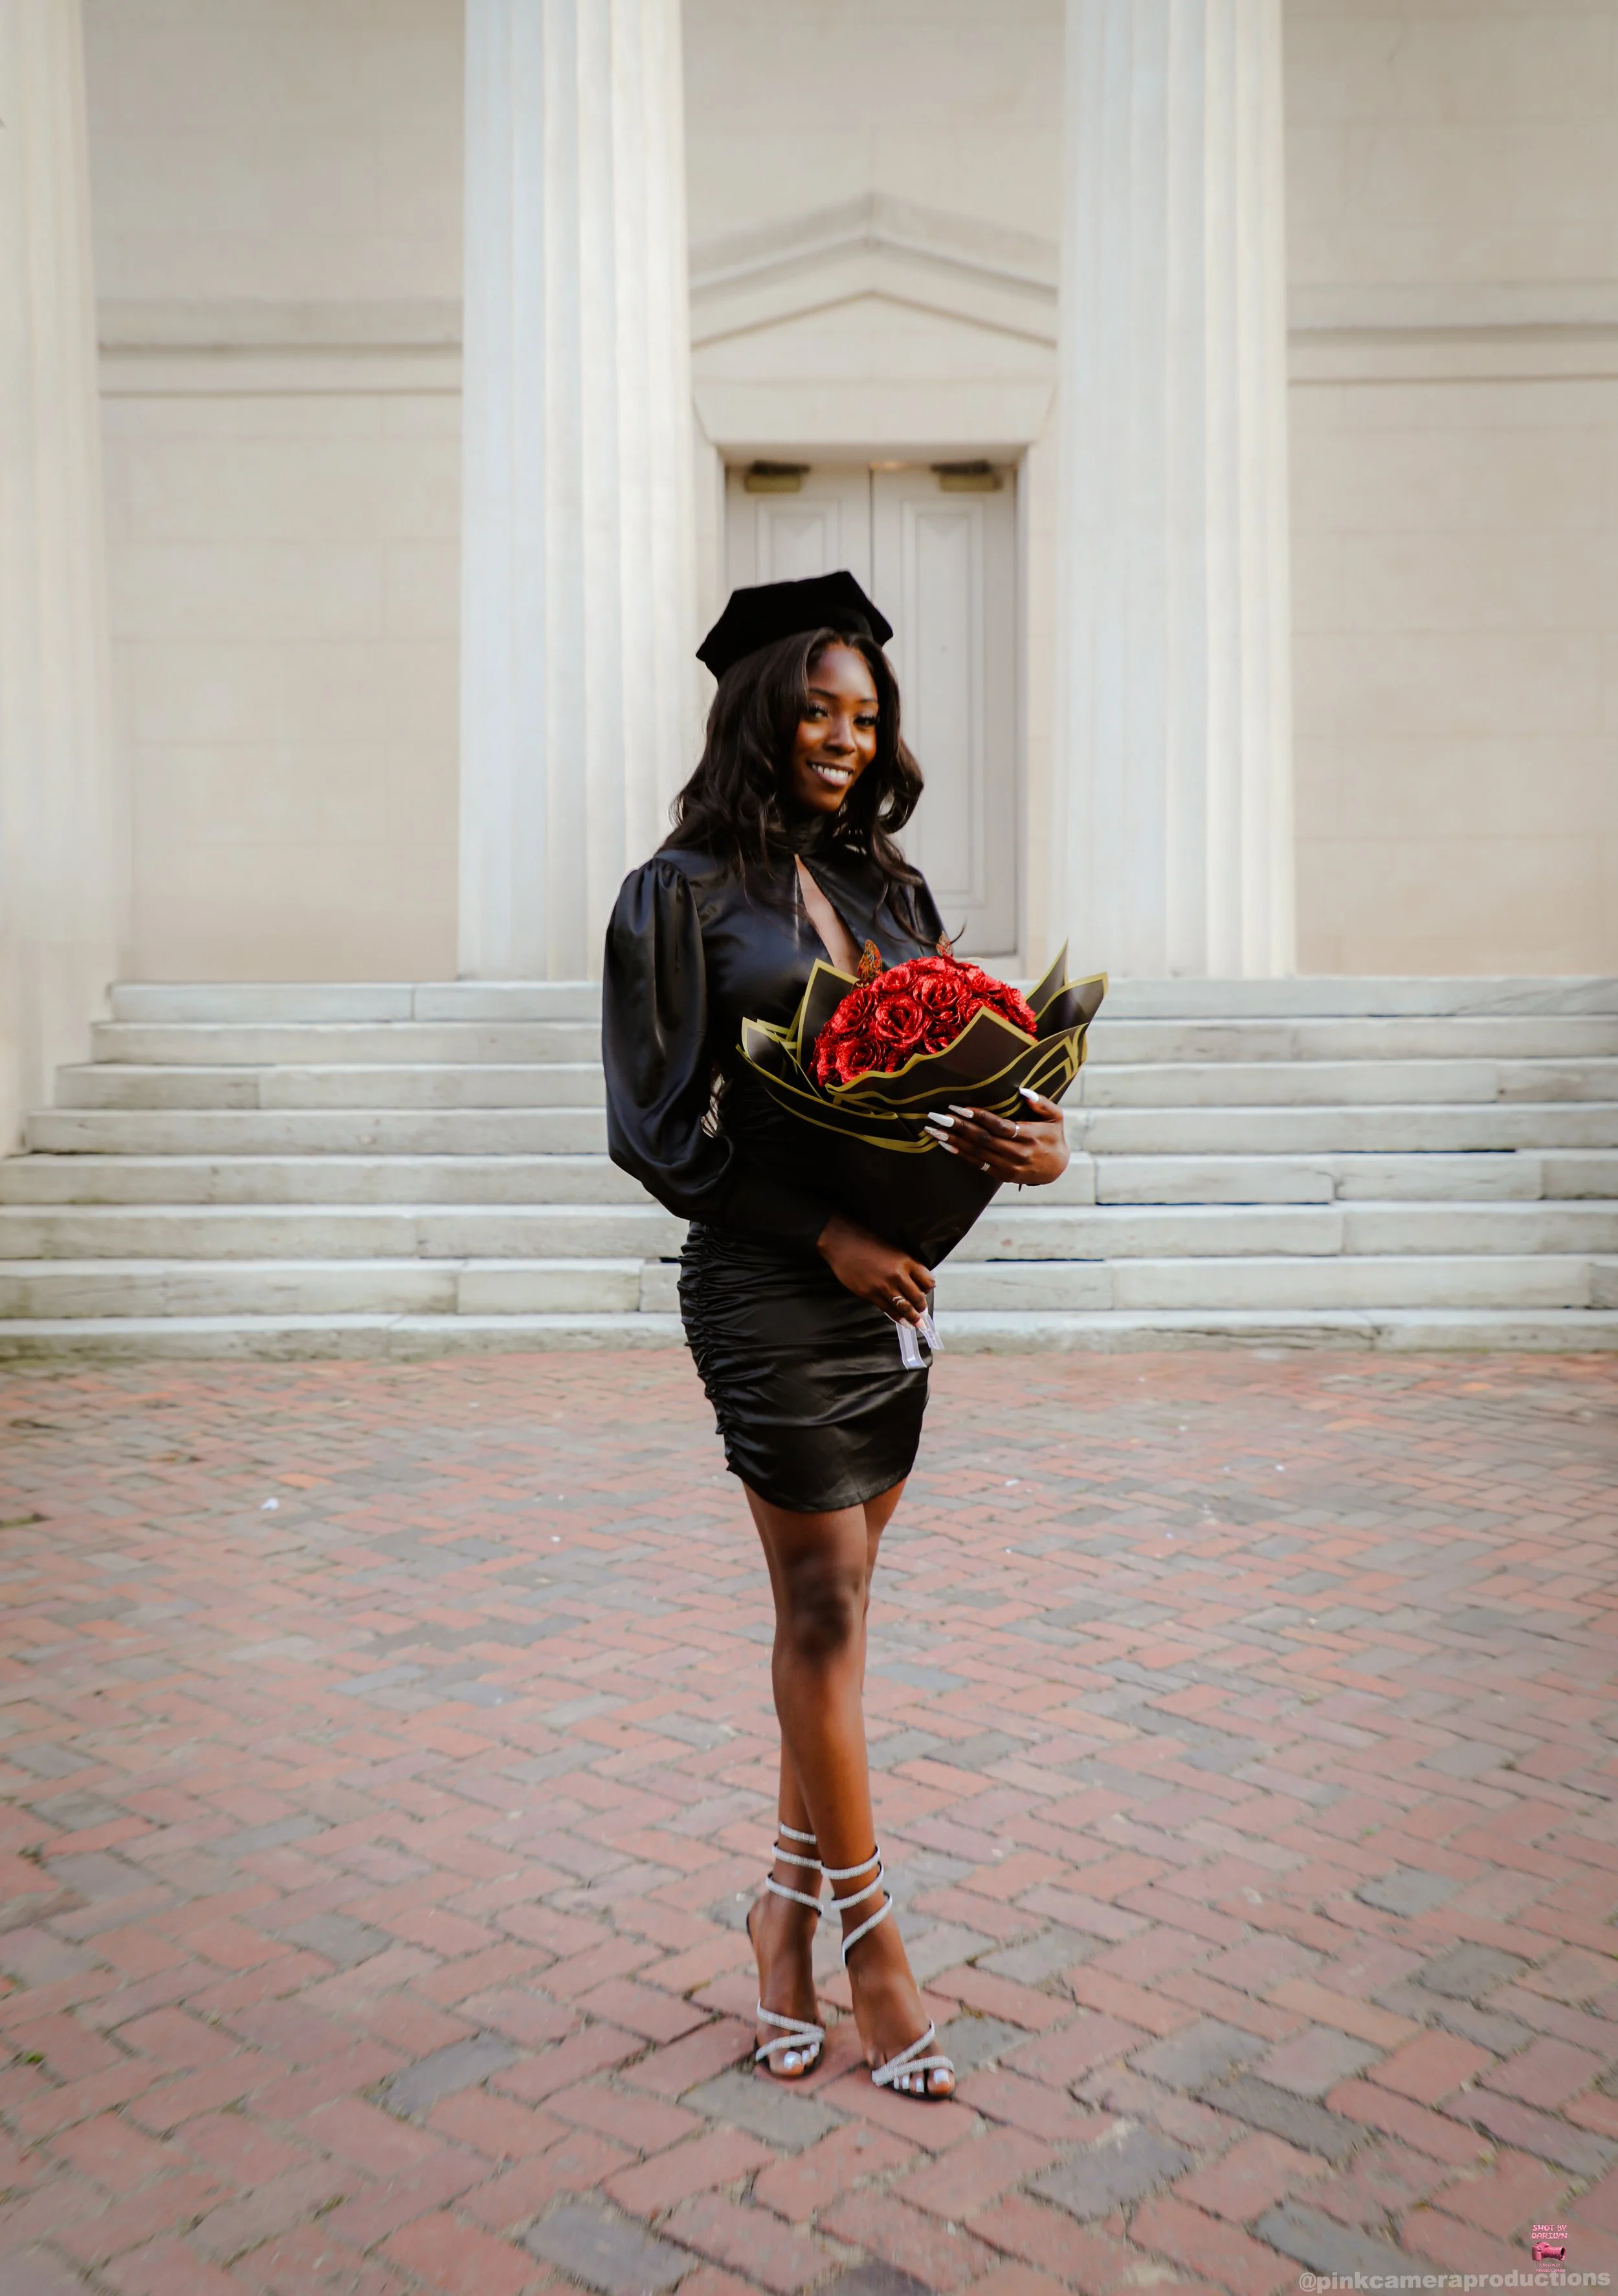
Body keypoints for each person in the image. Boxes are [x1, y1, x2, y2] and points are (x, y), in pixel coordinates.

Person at [602, 571, 1070, 2099]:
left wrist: (1024, 1139)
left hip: (895, 1299)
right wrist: (826, 1234)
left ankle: (774, 1923)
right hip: (769, 1284)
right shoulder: (670, 898)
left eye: (864, 720)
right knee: (819, 1605)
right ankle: (873, 1948)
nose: (844, 741)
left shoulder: (895, 894)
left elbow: (940, 1080)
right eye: (816, 710)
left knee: (842, 1615)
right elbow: (653, 1125)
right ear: (757, 713)